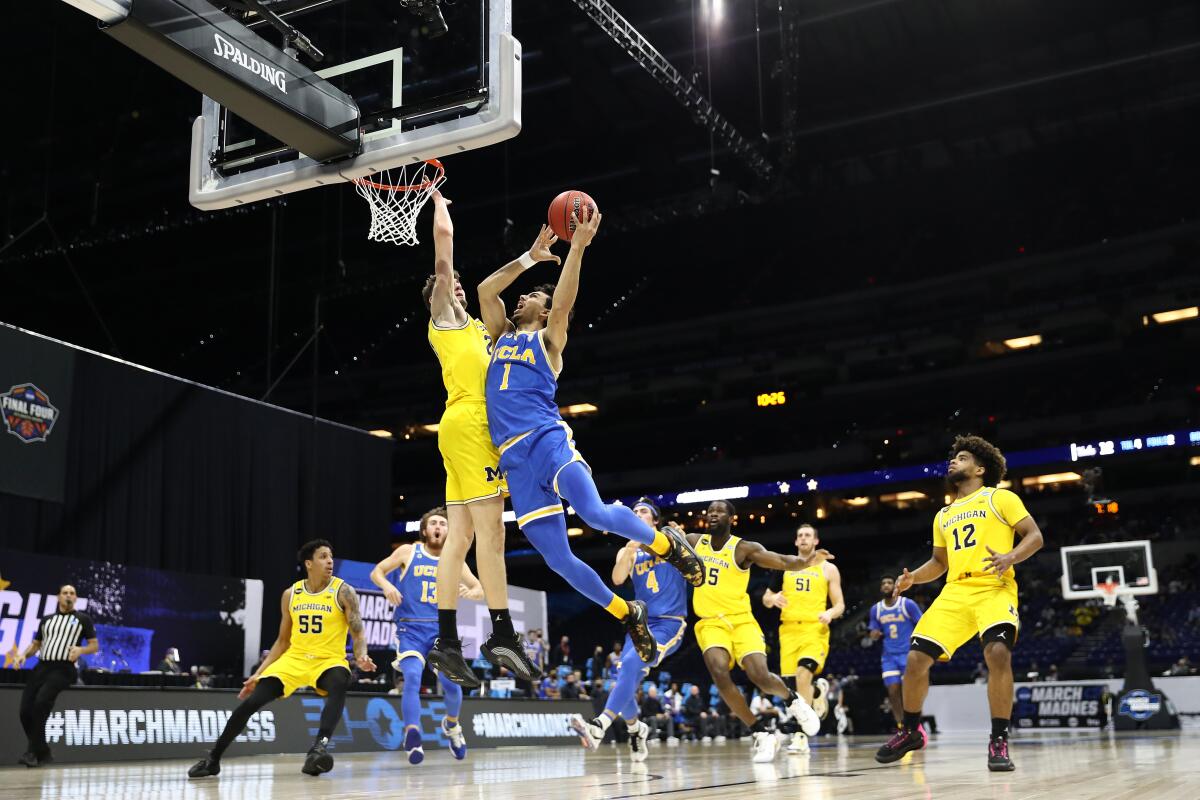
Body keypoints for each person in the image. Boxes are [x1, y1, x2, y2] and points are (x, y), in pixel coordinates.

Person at [477, 212, 704, 664]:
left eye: (533, 296)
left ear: (544, 311)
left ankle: (665, 544)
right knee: (558, 562)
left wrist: (576, 246)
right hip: (514, 462)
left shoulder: (548, 340)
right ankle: (627, 612)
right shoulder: (499, 335)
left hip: (546, 440)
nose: (521, 296)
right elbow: (486, 291)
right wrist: (529, 258)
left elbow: (561, 306)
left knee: (595, 513)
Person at [419, 190, 540, 687]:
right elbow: (444, 250)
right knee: (493, 535)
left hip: (462, 430)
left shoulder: (476, 332)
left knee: (462, 539)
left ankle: (447, 643)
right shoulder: (445, 321)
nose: (458, 290)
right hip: (469, 426)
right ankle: (503, 633)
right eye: (450, 288)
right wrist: (438, 200)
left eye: (460, 288)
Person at [875, 435, 1044, 772]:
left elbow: (1035, 536)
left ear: (980, 468)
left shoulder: (1000, 498)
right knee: (915, 660)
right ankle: (910, 731)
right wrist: (914, 579)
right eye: (953, 458)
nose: (953, 461)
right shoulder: (943, 514)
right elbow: (939, 563)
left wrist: (1010, 556)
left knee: (997, 653)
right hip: (954, 592)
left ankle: (998, 739)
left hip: (993, 587)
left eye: (963, 458)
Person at [188, 540, 376, 778]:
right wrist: (257, 674)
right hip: (294, 660)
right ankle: (213, 759)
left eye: (331, 556)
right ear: (309, 563)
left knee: (339, 681)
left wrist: (361, 656)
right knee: (251, 703)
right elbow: (282, 641)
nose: (330, 561)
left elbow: (357, 631)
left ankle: (318, 748)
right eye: (323, 557)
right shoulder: (291, 594)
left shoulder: (344, 591)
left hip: (328, 660)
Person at [683, 500, 825, 763]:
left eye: (720, 511)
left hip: (741, 621)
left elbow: (782, 560)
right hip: (710, 622)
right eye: (710, 510)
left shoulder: (744, 548)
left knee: (759, 675)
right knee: (718, 671)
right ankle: (760, 733)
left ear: (731, 519)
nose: (713, 513)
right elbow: (665, 544)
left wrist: (806, 562)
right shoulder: (693, 540)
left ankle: (793, 700)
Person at [570, 498, 690, 762]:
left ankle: (600, 725)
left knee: (634, 663)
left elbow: (689, 562)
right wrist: (631, 545)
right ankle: (636, 729)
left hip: (670, 623)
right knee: (625, 673)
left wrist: (677, 539)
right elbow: (617, 579)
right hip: (641, 622)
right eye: (633, 512)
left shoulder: (669, 541)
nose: (637, 514)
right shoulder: (629, 550)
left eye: (643, 512)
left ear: (655, 521)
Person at [370, 506, 485, 764]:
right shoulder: (409, 551)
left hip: (441, 630)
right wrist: (387, 585)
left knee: (451, 684)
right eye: (433, 523)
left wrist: (472, 593)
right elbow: (377, 572)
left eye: (443, 524)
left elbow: (478, 588)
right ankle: (412, 733)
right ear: (425, 530)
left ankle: (452, 725)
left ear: (449, 530)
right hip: (410, 627)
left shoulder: (455, 558)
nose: (438, 527)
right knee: (411, 677)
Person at [762, 522, 844, 754]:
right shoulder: (785, 565)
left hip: (813, 629)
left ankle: (800, 735)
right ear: (796, 542)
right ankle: (817, 693)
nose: (804, 539)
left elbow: (840, 605)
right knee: (793, 686)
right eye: (800, 536)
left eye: (808, 535)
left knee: (802, 675)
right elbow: (766, 599)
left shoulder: (828, 569)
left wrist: (830, 613)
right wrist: (773, 598)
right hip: (787, 630)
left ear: (816, 541)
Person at [13, 584, 98, 767]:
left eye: (72, 593)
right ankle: (43, 752)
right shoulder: (47, 619)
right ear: (58, 597)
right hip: (42, 666)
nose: (68, 595)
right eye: (65, 592)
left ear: (75, 598)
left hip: (64, 668)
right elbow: (36, 644)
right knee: (25, 711)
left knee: (41, 702)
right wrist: (22, 655)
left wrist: (81, 650)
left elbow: (94, 646)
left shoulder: (83, 619)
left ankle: (31, 752)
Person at [867, 575, 923, 729]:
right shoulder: (876, 609)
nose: (886, 585)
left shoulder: (907, 604)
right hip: (889, 657)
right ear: (880, 588)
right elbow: (873, 630)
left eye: (889, 582)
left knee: (910, 692)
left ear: (895, 586)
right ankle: (901, 726)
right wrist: (874, 634)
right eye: (883, 583)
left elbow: (922, 623)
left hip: (908, 654)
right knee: (893, 692)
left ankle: (915, 724)